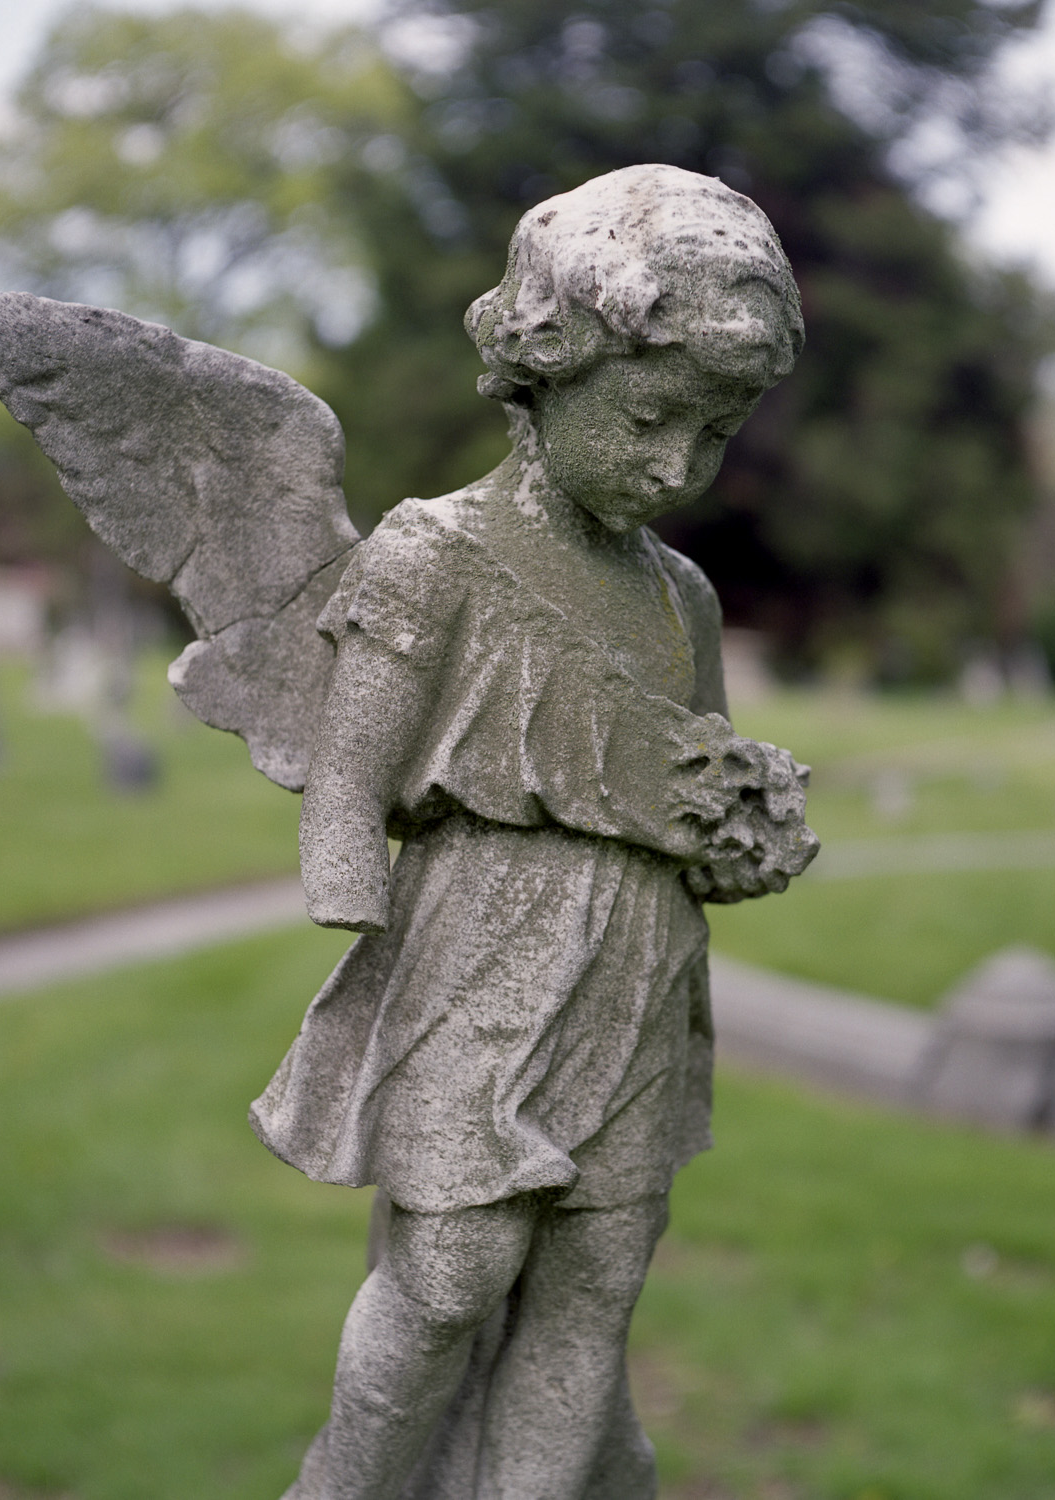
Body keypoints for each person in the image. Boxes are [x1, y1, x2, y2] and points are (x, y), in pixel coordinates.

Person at [249, 163, 816, 1499]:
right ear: (545, 367)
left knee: (593, 1291)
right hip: (481, 944)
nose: (678, 465)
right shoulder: (431, 551)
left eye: (716, 432)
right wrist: (344, 872)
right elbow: (353, 771)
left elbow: (694, 774)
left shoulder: (681, 594)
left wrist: (744, 822)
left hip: (642, 965)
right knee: (449, 1275)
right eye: (652, 418)